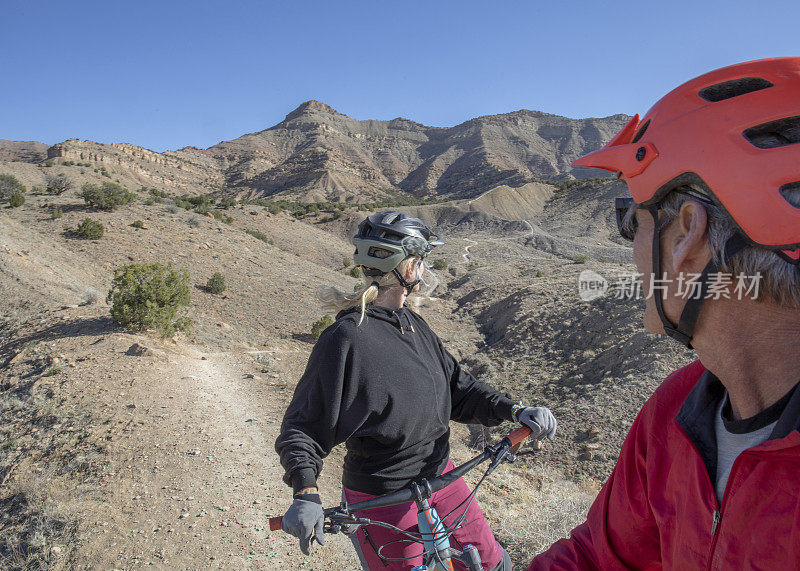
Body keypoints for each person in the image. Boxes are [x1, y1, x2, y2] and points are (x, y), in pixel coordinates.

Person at [528, 57, 800, 569]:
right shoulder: (677, 409)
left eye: (633, 223)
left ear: (687, 234)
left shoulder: (679, 412)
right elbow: (599, 557)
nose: (631, 250)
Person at [275, 211, 557, 570]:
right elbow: (303, 427)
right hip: (382, 497)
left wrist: (514, 411)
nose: (424, 269)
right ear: (405, 268)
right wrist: (305, 493)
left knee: (492, 562)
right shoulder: (345, 339)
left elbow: (459, 389)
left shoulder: (414, 324)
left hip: (443, 475)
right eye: (420, 260)